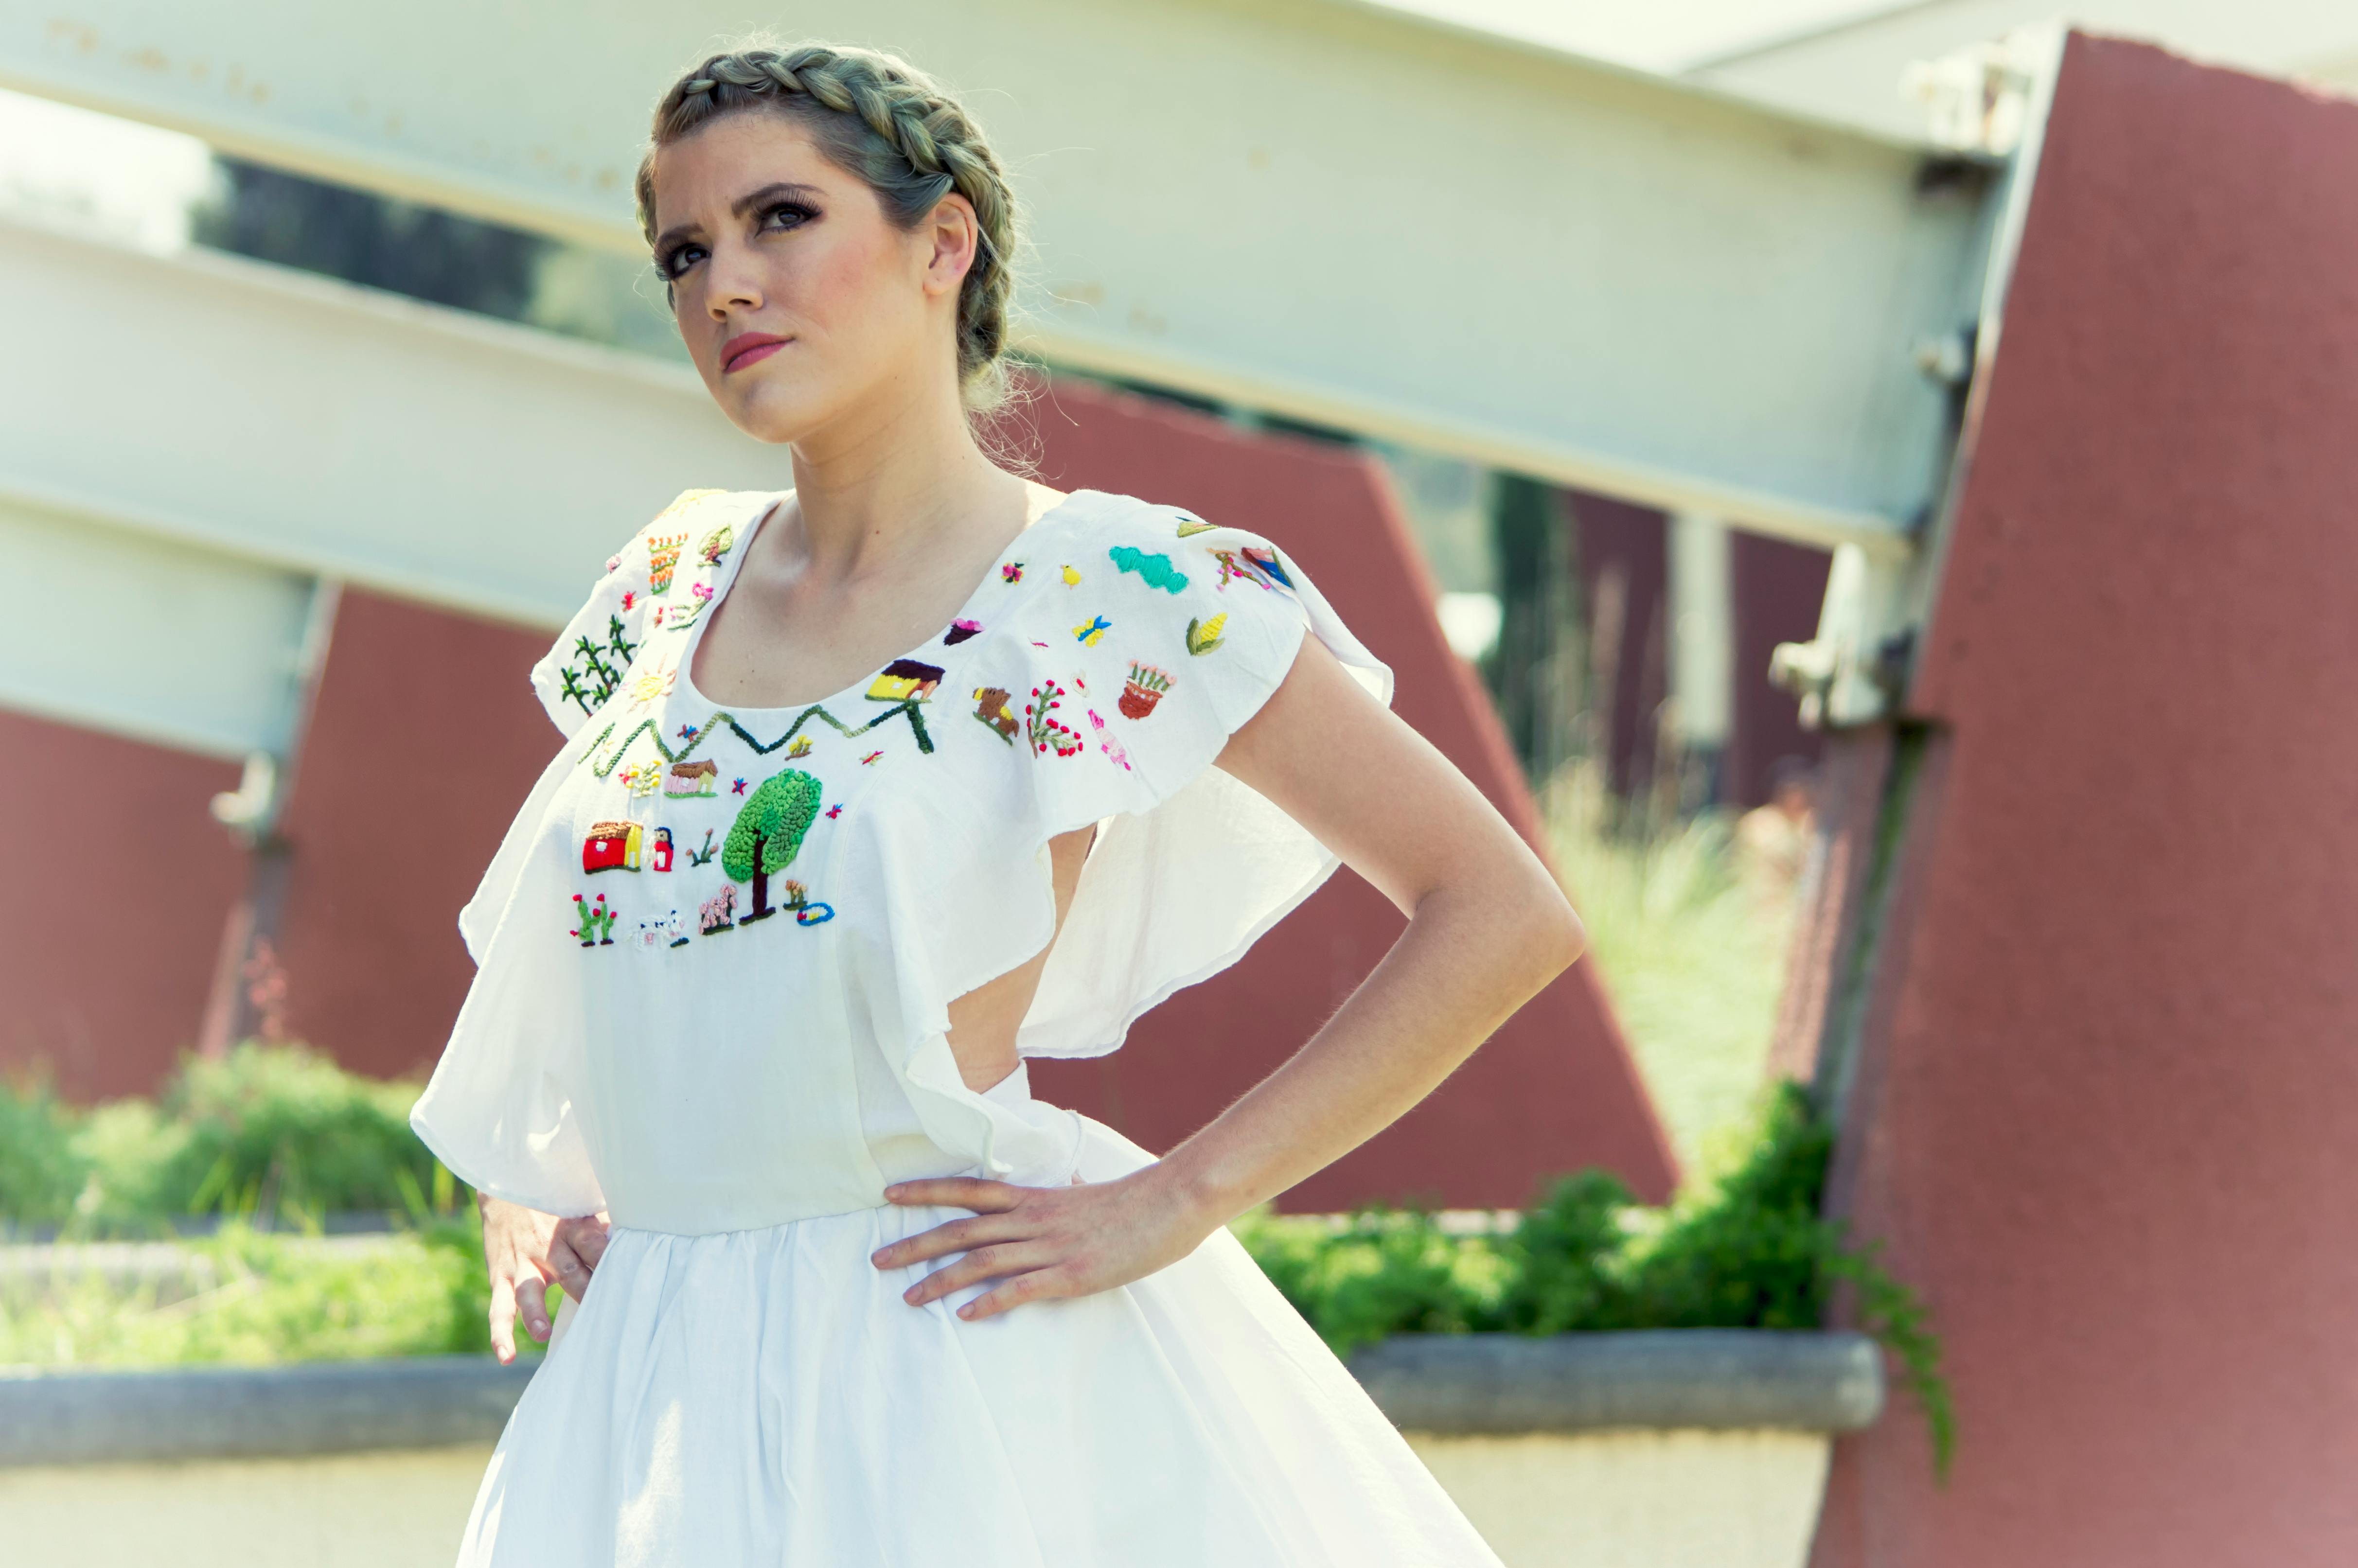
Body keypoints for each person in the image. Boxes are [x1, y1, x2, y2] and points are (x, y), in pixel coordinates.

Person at [409, 39, 1586, 1566]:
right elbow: (590, 943)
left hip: (938, 1368)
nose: (723, 288)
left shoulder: (1109, 586)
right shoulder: (666, 580)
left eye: (781, 219)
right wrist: (530, 1183)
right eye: (684, 253)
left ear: (941, 243)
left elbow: (1499, 910)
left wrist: (1178, 1197)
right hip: (644, 1401)